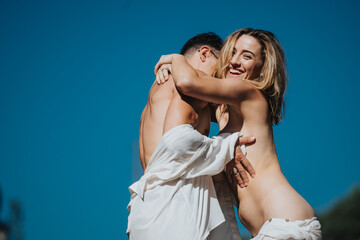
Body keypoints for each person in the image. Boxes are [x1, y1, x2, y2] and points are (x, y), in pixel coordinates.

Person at [155, 28, 322, 239]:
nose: (234, 61)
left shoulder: (249, 93)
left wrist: (173, 59)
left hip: (285, 221)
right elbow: (200, 101)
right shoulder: (228, 112)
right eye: (232, 52)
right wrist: (170, 71)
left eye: (247, 56)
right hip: (268, 229)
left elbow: (188, 83)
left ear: (262, 69)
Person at [128, 33, 256, 240]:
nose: (226, 74)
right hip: (177, 202)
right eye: (223, 63)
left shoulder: (160, 90)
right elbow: (178, 143)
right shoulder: (191, 81)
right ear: (205, 54)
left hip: (146, 207)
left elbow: (227, 113)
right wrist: (228, 146)